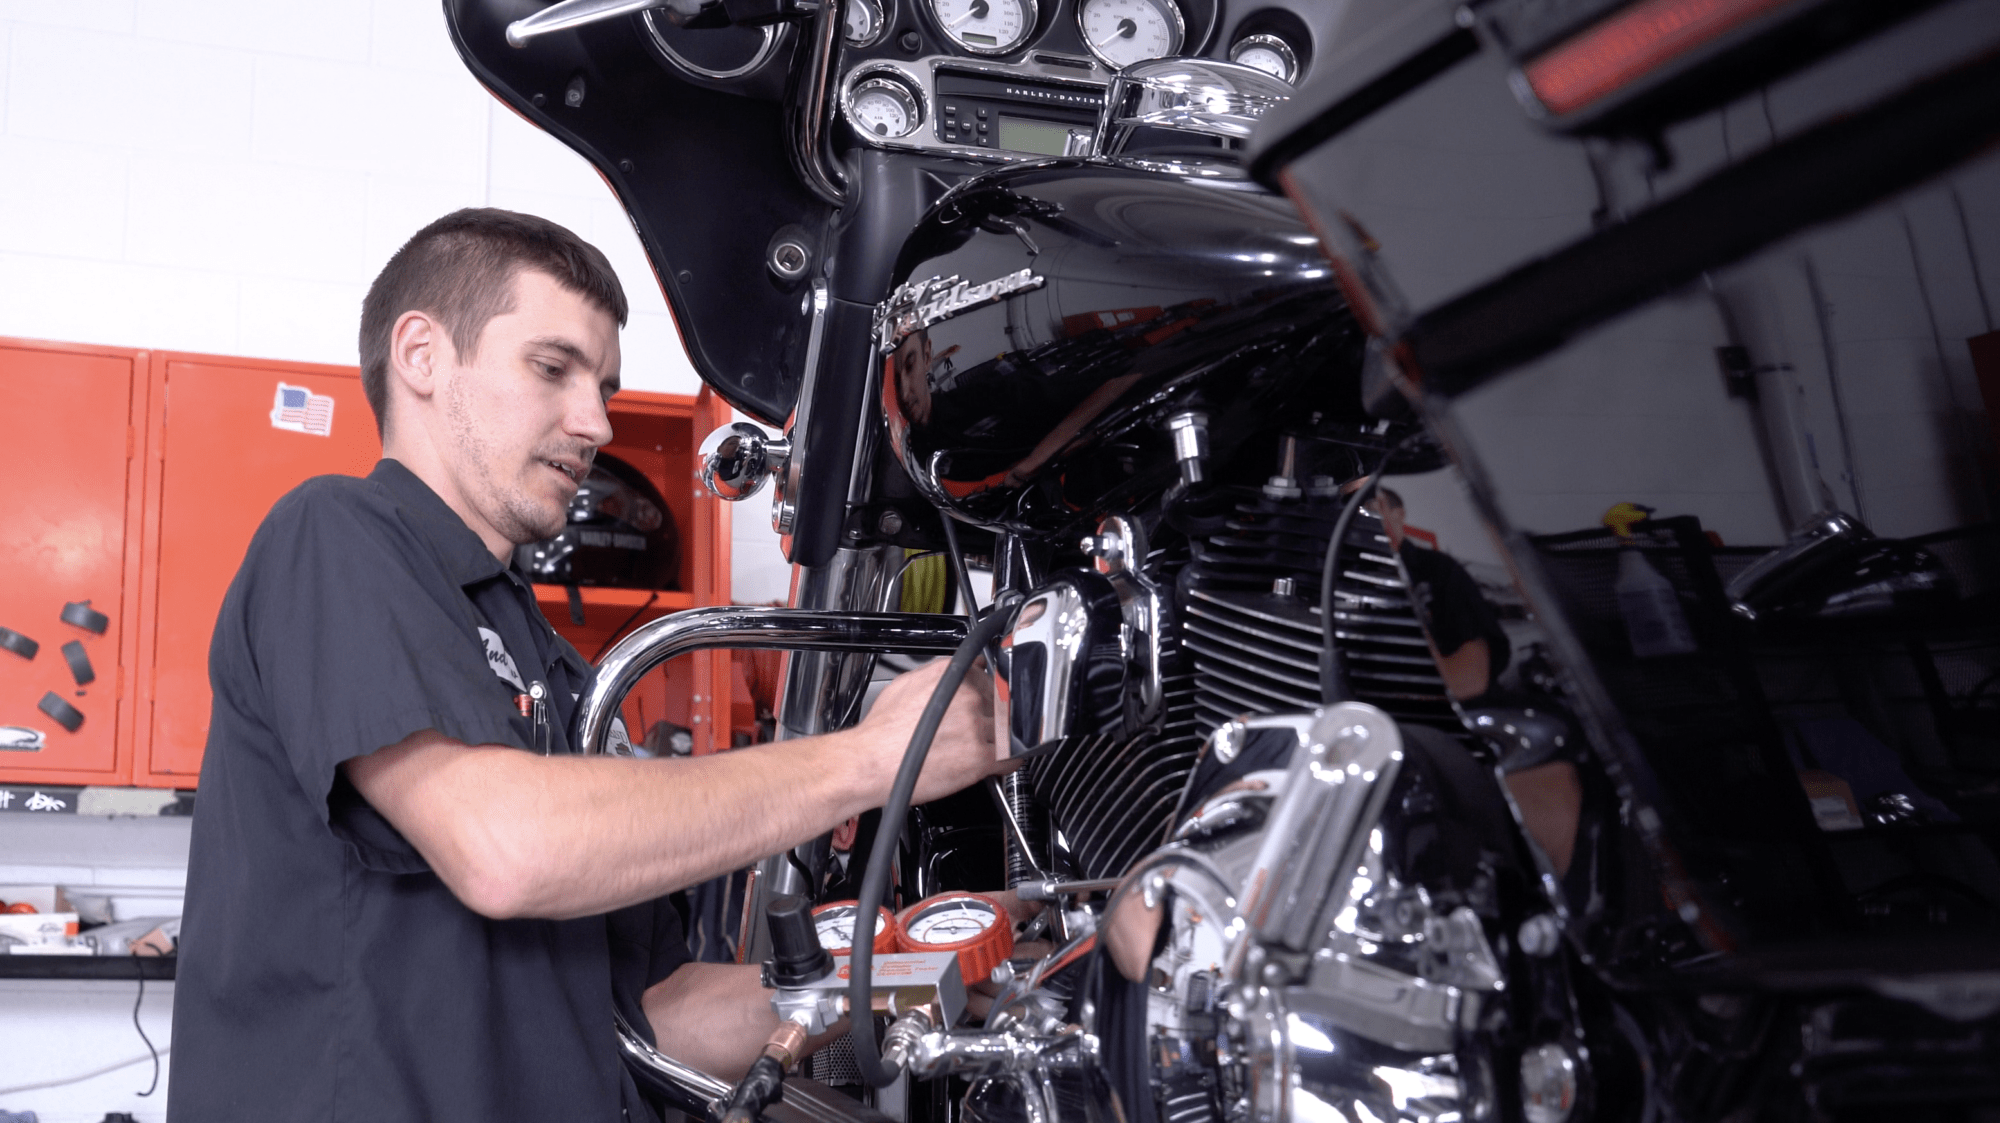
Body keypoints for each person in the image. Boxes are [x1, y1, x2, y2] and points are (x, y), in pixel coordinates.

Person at [166, 209, 1006, 1123]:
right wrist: (873, 759)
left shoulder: (561, 673)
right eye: (552, 368)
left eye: (602, 385)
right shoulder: (336, 535)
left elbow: (656, 1017)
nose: (595, 421)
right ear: (421, 354)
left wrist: (933, 961)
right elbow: (507, 851)